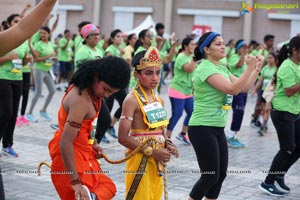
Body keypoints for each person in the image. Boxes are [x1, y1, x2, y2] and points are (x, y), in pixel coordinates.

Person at [188, 32, 263, 200]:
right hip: (202, 127)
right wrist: (249, 67)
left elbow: (243, 87)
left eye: (223, 43)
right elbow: (232, 90)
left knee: (220, 176)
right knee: (209, 176)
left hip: (217, 127)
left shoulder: (221, 67)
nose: (223, 46)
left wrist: (256, 68)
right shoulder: (205, 67)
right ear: (206, 49)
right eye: (217, 44)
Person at [48, 57, 131, 200]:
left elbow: (92, 123)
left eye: (111, 93)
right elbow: (65, 143)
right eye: (106, 89)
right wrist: (75, 182)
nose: (106, 95)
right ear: (96, 76)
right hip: (70, 156)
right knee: (83, 193)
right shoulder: (80, 100)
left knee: (109, 187)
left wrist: (94, 143)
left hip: (85, 153)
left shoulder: (94, 94)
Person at [0, 0, 58, 198]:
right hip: (5, 78)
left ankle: (7, 143)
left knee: (11, 112)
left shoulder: (13, 40)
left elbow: (23, 29)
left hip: (18, 77)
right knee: (7, 111)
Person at [118, 46, 178, 200]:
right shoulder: (131, 100)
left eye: (158, 73)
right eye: (148, 73)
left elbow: (161, 131)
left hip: (157, 160)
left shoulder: (159, 100)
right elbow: (123, 137)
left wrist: (168, 144)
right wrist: (153, 152)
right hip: (140, 158)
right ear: (137, 75)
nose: (155, 78)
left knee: (154, 196)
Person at [259, 36, 300, 197]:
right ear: (295, 51)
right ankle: (267, 182)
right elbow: (289, 91)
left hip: (295, 111)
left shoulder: (297, 65)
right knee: (287, 149)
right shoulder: (286, 67)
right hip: (283, 111)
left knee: (298, 147)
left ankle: (279, 175)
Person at [166, 37, 196, 145]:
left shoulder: (190, 57)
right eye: (192, 44)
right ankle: (167, 137)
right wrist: (195, 58)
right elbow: (189, 69)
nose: (194, 46)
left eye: (195, 44)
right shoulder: (181, 57)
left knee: (192, 113)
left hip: (188, 91)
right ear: (185, 46)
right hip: (177, 89)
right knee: (177, 114)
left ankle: (183, 134)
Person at [26, 26, 56, 122]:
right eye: (41, 33)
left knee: (52, 90)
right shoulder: (38, 44)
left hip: (48, 70)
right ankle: (29, 113)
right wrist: (49, 56)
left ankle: (43, 110)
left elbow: (52, 56)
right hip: (39, 70)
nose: (42, 35)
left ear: (48, 34)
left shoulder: (50, 44)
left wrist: (54, 58)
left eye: (44, 33)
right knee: (38, 92)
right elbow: (35, 59)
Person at [104, 29, 127, 141]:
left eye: (121, 36)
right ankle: (101, 131)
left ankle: (110, 126)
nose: (120, 38)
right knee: (107, 108)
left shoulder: (120, 50)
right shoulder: (110, 50)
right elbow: (109, 66)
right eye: (117, 36)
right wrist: (119, 55)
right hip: (109, 83)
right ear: (112, 39)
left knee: (125, 104)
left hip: (119, 83)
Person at [226, 39, 249, 148]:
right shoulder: (234, 57)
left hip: (244, 89)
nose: (245, 49)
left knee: (241, 111)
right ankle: (230, 136)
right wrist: (243, 55)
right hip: (235, 88)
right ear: (238, 48)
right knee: (238, 111)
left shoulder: (246, 58)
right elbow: (239, 66)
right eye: (243, 47)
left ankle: (233, 135)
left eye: (246, 47)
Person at [251, 34, 275, 128]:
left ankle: (263, 121)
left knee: (267, 103)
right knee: (259, 102)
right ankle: (255, 119)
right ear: (265, 42)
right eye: (270, 41)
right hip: (260, 79)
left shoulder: (272, 51)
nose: (272, 43)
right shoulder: (261, 51)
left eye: (272, 41)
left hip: (270, 82)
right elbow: (260, 64)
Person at [251, 52, 277, 136]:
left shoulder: (276, 69)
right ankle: (263, 125)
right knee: (262, 108)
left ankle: (263, 126)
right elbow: (260, 80)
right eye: (268, 58)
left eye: (271, 58)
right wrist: (254, 89)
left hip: (271, 92)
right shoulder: (265, 68)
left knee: (267, 109)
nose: (269, 59)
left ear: (275, 59)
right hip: (263, 91)